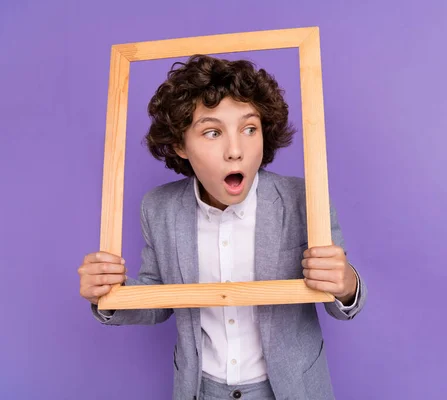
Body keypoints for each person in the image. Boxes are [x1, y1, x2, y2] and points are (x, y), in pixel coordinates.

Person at [78, 54, 367, 400]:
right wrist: (110, 295)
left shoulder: (303, 198)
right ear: (179, 145)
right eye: (213, 132)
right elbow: (158, 297)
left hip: (292, 388)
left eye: (249, 129)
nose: (236, 150)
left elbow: (342, 301)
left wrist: (346, 284)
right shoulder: (159, 208)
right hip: (202, 389)